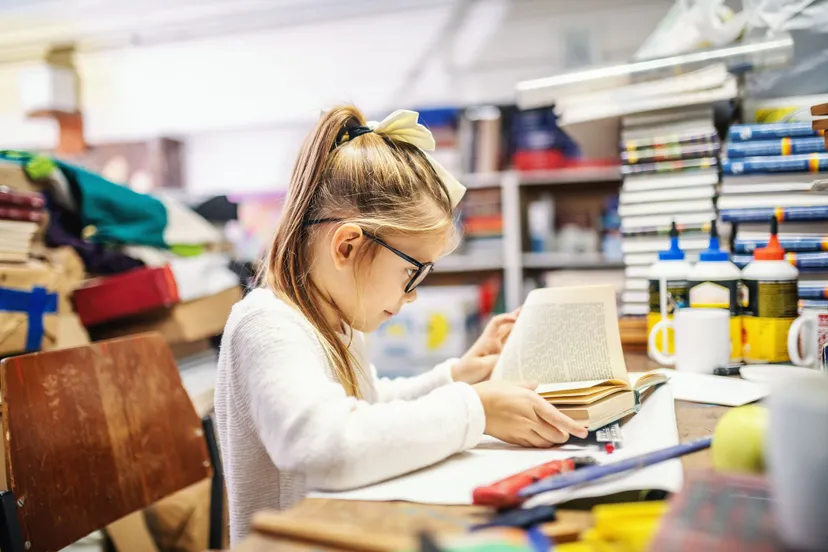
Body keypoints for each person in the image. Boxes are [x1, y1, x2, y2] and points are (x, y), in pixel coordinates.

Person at [214, 106, 588, 543]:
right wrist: (476, 409)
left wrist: (456, 375)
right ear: (348, 246)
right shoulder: (269, 325)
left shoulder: (329, 318)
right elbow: (325, 447)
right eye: (413, 272)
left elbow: (369, 403)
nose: (413, 294)